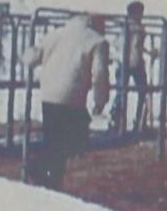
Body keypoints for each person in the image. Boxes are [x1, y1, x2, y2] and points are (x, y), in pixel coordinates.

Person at [21, 13, 110, 190]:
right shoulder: (97, 41)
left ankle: (48, 178)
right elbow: (99, 74)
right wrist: (101, 100)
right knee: (72, 142)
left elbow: (31, 58)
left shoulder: (56, 34)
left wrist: (27, 52)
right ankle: (39, 170)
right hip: (73, 97)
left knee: (54, 142)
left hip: (49, 94)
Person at [110, 1, 153, 134]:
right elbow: (133, 46)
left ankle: (119, 121)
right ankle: (136, 121)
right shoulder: (135, 29)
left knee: (123, 92)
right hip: (132, 63)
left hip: (127, 62)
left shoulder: (126, 27)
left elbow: (119, 44)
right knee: (138, 91)